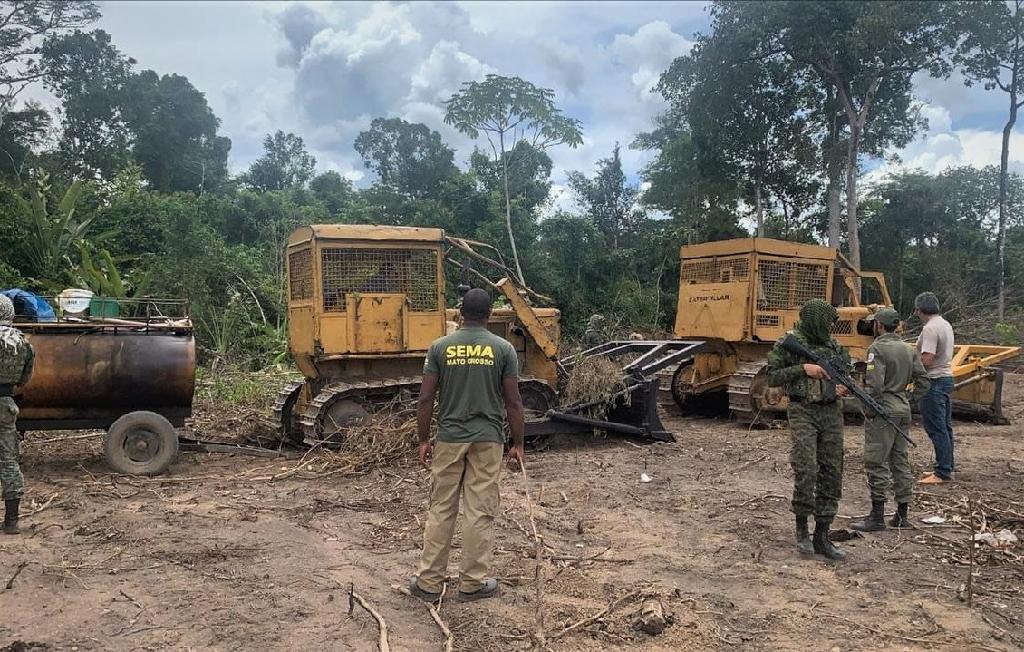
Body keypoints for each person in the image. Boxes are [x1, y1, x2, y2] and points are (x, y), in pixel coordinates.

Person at [409, 288, 525, 602]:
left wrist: (423, 439)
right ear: (489, 315)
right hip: (488, 440)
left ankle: (429, 583)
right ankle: (472, 583)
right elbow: (514, 403)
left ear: (460, 312)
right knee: (479, 510)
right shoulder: (503, 349)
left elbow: (425, 398)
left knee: (442, 508)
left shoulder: (439, 347)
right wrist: (518, 444)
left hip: (448, 439)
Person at [767, 299, 851, 561]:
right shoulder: (790, 341)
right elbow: (772, 376)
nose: (829, 326)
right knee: (806, 469)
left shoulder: (833, 346)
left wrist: (842, 387)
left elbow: (846, 375)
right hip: (803, 410)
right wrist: (804, 369)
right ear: (814, 319)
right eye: (825, 321)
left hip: (831, 413)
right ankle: (802, 530)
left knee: (832, 471)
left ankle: (822, 535)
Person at [850, 309, 930, 532]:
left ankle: (877, 517)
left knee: (876, 461)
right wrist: (908, 399)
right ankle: (902, 514)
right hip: (902, 408)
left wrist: (869, 407)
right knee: (900, 461)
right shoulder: (908, 348)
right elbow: (923, 380)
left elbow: (874, 384)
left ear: (879, 326)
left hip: (883, 409)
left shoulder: (876, 348)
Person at [0, 295, 34, 535]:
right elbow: (24, 379)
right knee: (9, 461)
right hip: (5, 404)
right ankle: (11, 521)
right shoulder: (23, 343)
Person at [914, 292, 956, 484]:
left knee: (936, 428)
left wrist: (911, 369)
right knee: (945, 427)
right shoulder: (945, 324)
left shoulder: (930, 328)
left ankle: (942, 472)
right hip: (946, 377)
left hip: (933, 381)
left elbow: (928, 358)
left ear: (920, 310)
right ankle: (947, 466)